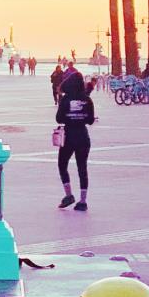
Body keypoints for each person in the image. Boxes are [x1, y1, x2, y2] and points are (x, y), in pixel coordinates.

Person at [55, 66, 97, 211]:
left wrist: (69, 117)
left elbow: (58, 118)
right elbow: (90, 120)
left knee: (62, 164)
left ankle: (68, 194)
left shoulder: (66, 99)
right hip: (83, 137)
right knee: (82, 167)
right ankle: (83, 200)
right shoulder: (87, 100)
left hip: (69, 136)